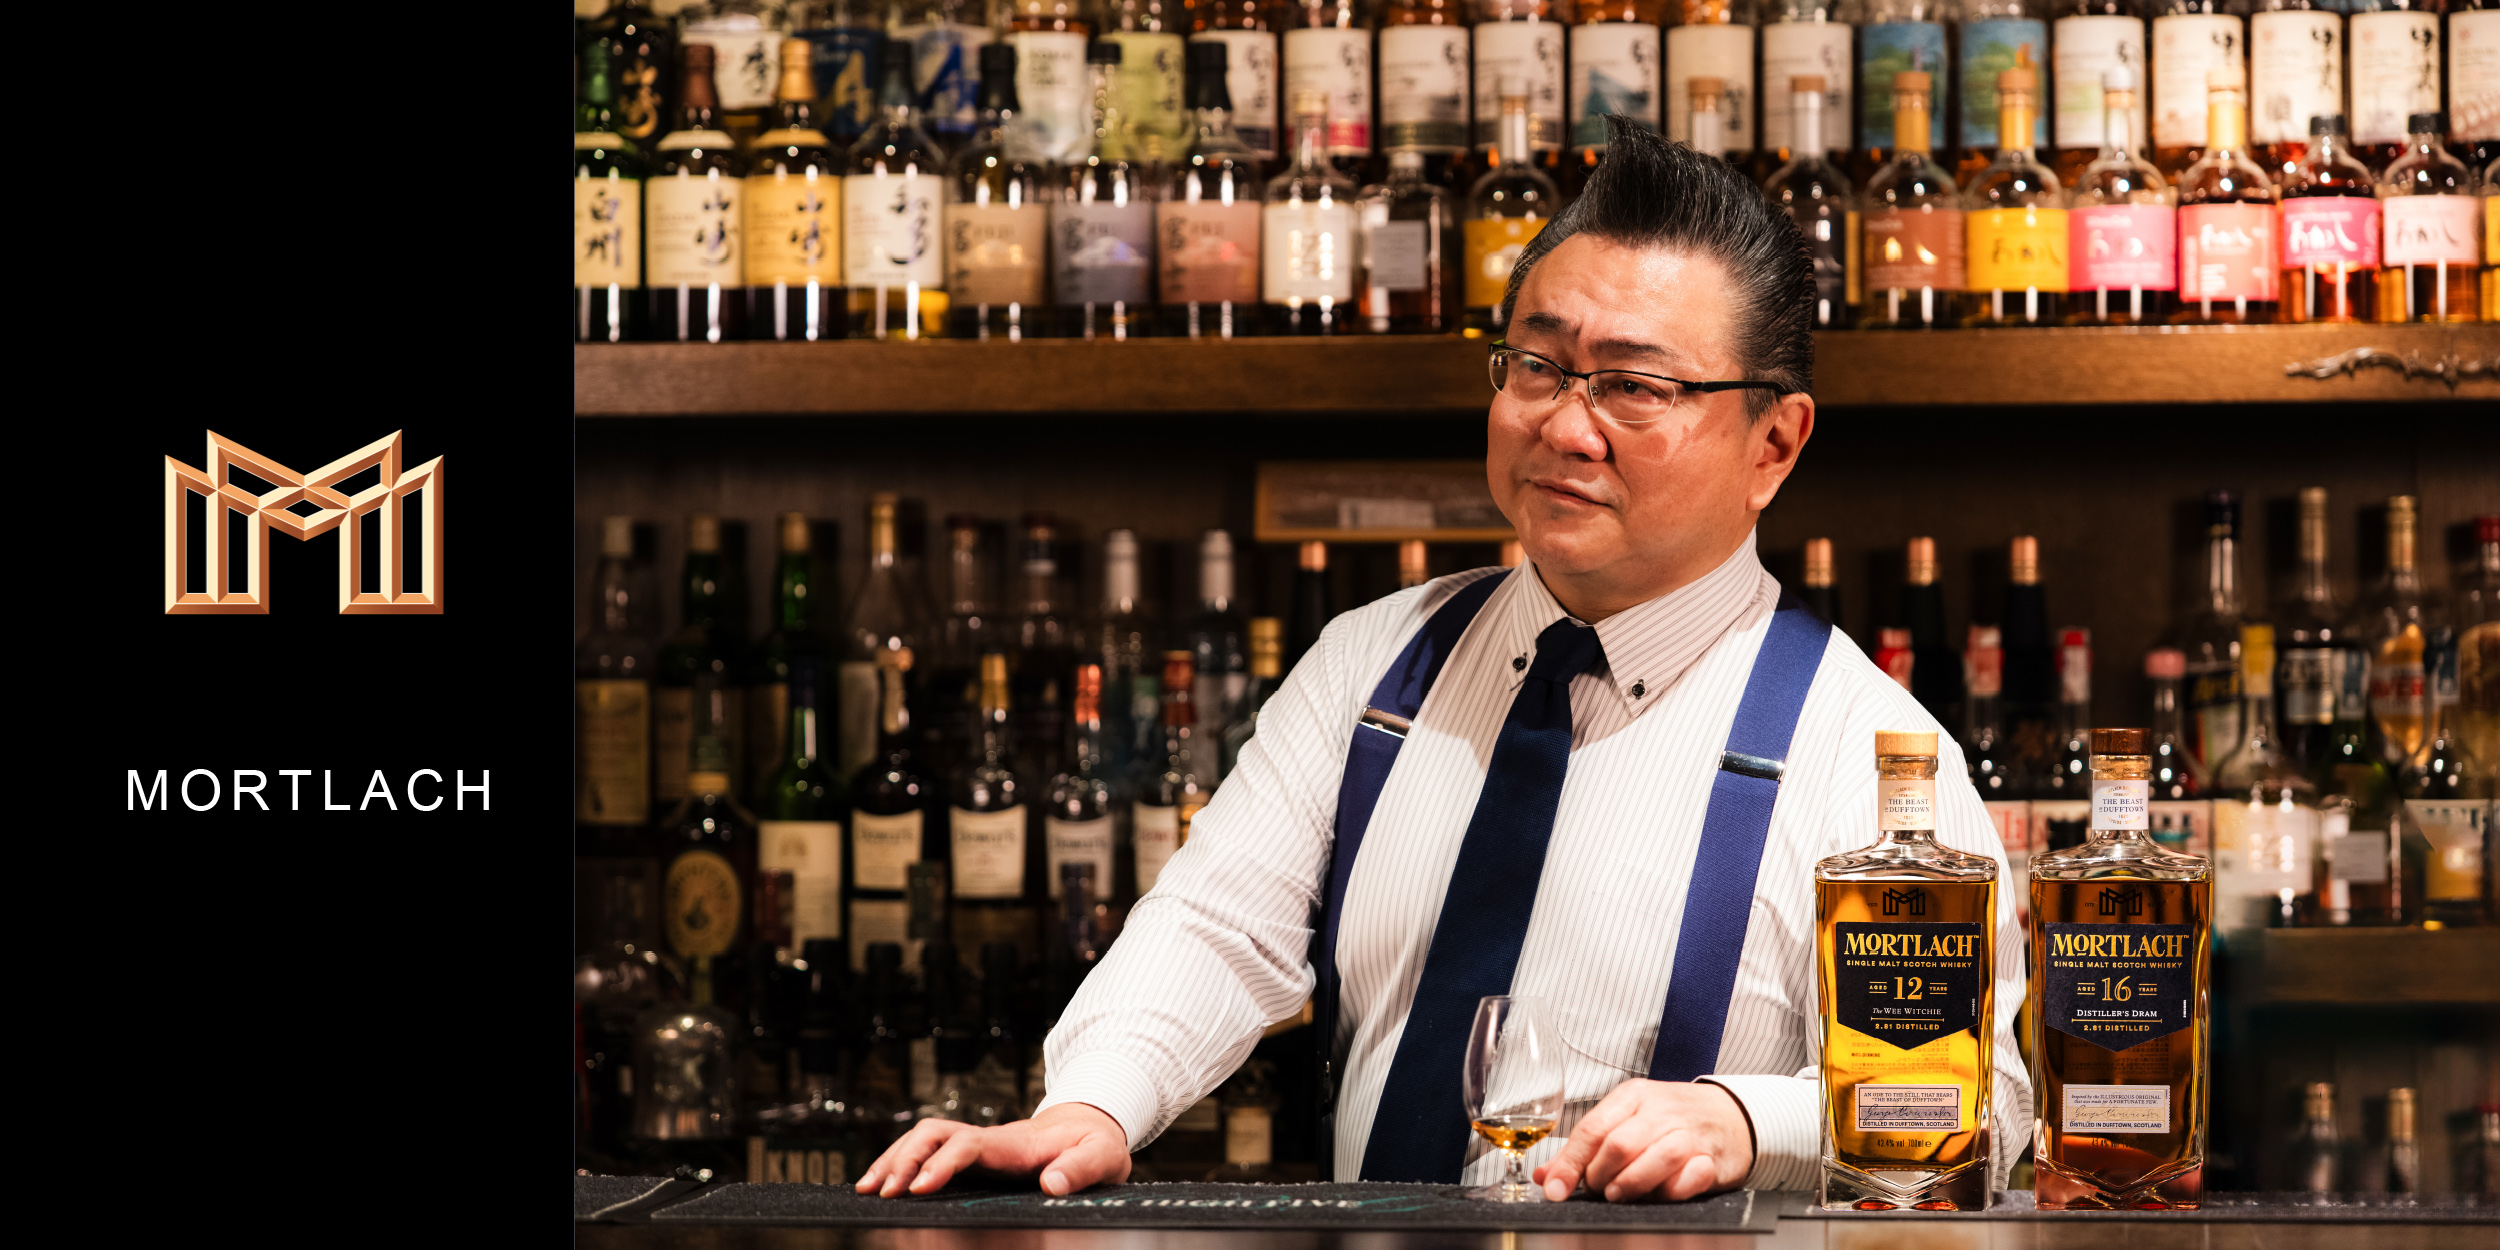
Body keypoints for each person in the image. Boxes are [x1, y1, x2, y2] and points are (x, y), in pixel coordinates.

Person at [858, 117, 2030, 1203]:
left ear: (1773, 442)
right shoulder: (1373, 662)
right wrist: (1091, 1104)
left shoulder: (1871, 758)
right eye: (1539, 365)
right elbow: (1216, 924)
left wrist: (1749, 1117)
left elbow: (1985, 1104)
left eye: (1633, 386)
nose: (1564, 425)